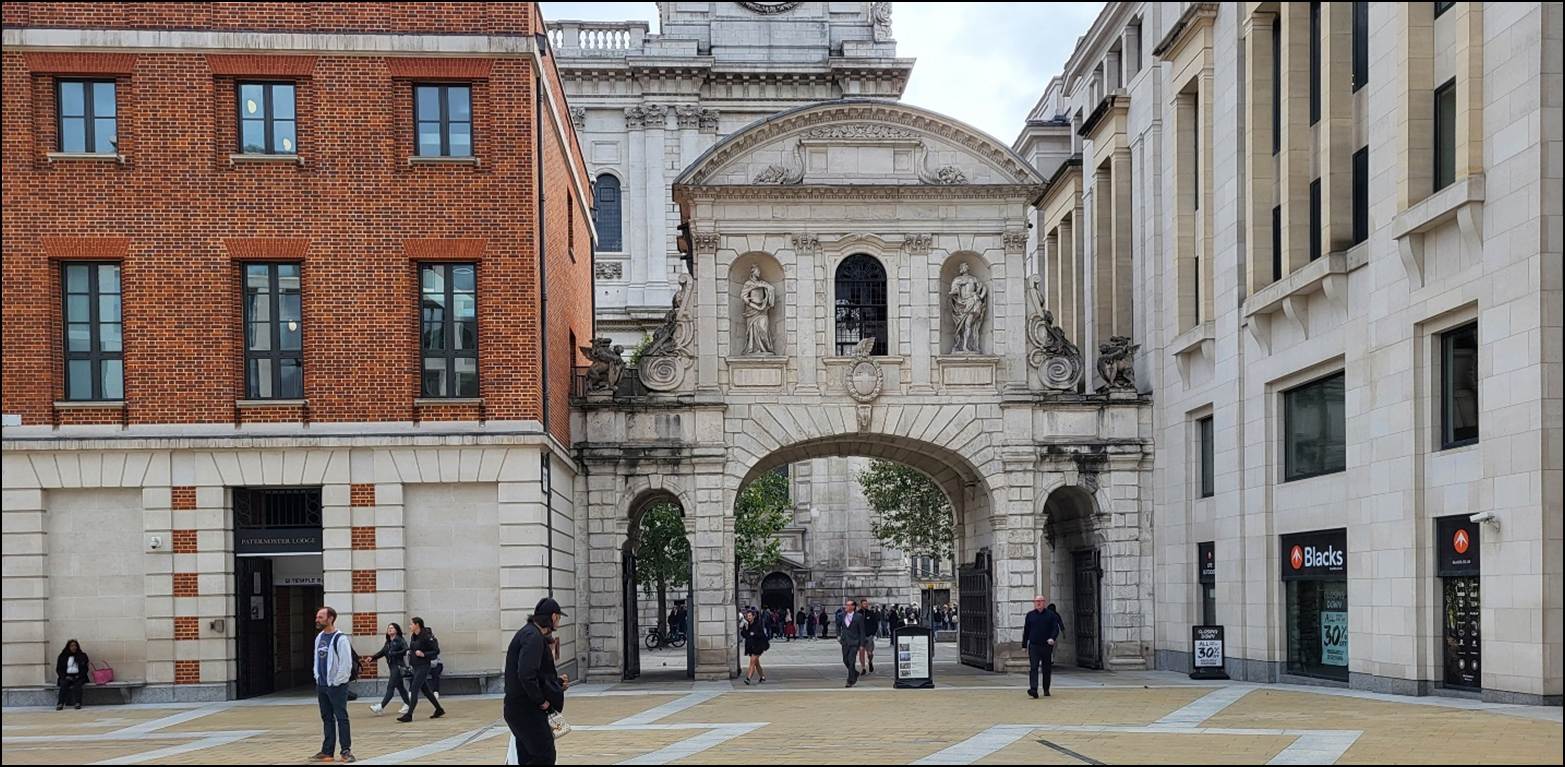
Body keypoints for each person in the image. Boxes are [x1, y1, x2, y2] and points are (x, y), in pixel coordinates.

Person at [506, 597, 569, 766]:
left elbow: (535, 674)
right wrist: (542, 702)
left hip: (520, 709)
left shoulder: (528, 633)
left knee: (528, 757)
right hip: (527, 710)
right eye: (559, 618)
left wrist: (555, 683)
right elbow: (526, 674)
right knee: (545, 756)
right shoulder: (533, 637)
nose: (559, 622)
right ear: (554, 617)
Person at [311, 606, 355, 763]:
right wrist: (317, 677)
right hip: (322, 685)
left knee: (341, 717)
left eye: (320, 617)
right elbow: (317, 659)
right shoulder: (319, 637)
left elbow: (346, 664)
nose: (317, 620)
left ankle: (346, 751)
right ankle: (327, 751)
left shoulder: (340, 638)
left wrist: (337, 681)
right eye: (317, 617)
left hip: (336, 686)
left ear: (330, 619)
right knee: (326, 717)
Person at [400, 616, 445, 722]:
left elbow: (436, 651)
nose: (409, 626)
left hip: (424, 666)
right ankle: (439, 709)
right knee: (426, 691)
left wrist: (424, 654)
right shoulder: (413, 636)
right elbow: (413, 649)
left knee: (414, 688)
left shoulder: (427, 636)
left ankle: (409, 715)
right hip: (416, 666)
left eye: (411, 624)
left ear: (417, 625)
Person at [1023, 596, 1066, 698]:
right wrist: (1024, 645)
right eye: (1036, 601)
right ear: (1034, 603)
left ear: (1044, 602)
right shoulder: (1030, 615)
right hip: (1034, 646)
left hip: (1046, 645)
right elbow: (1026, 631)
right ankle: (1033, 689)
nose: (1038, 603)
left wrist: (1052, 638)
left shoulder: (1050, 615)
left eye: (1040, 601)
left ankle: (1046, 688)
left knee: (1046, 668)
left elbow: (1055, 628)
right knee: (1034, 667)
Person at [368, 622, 410, 716]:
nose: (390, 629)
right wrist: (372, 658)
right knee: (401, 688)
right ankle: (408, 704)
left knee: (390, 687)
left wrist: (395, 653)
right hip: (392, 667)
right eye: (388, 628)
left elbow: (406, 649)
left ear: (396, 630)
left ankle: (381, 707)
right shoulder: (388, 642)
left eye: (392, 628)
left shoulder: (399, 640)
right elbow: (383, 652)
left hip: (398, 666)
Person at [836, 599, 864, 687]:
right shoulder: (841, 615)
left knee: (852, 661)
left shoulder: (858, 617)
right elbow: (838, 625)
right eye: (846, 605)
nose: (846, 607)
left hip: (854, 642)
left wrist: (862, 644)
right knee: (845, 660)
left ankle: (850, 680)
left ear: (853, 607)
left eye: (849, 605)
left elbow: (862, 631)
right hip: (845, 641)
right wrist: (838, 635)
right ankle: (854, 673)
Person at [55, 639, 89, 711]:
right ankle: (60, 703)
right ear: (68, 647)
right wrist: (65, 676)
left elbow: (85, 669)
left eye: (75, 646)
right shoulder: (62, 656)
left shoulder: (82, 656)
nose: (74, 647)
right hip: (66, 676)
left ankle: (77, 702)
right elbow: (59, 669)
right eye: (72, 646)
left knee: (78, 684)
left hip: (79, 676)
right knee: (64, 684)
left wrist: (79, 675)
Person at [740, 609, 769, 684]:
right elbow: (745, 635)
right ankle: (762, 676)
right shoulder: (747, 625)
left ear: (753, 616)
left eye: (750, 616)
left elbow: (761, 635)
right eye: (747, 616)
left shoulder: (758, 624)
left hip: (758, 646)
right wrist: (744, 630)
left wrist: (754, 634)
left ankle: (748, 678)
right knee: (756, 663)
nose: (748, 617)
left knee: (752, 662)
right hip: (751, 646)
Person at [857, 600, 879, 674]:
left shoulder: (870, 613)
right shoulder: (857, 614)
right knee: (861, 652)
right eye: (864, 604)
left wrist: (873, 634)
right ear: (861, 604)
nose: (865, 605)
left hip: (869, 635)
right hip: (860, 637)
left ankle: (870, 661)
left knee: (870, 653)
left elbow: (875, 624)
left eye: (866, 604)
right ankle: (863, 668)